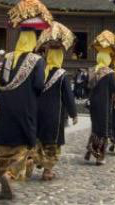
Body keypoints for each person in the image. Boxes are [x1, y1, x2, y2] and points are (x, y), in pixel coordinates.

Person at [0, 0, 48, 200]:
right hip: (25, 109)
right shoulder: (37, 60)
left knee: (4, 149)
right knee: (23, 147)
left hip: (5, 110)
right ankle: (11, 174)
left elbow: (0, 81)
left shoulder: (6, 57)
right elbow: (38, 85)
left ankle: (2, 180)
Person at [32, 22, 78, 181]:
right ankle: (47, 170)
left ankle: (34, 161)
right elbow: (68, 96)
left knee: (39, 138)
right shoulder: (62, 74)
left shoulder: (40, 72)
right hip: (55, 114)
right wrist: (73, 113)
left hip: (37, 112)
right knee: (52, 143)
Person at [85, 30, 115, 165]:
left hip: (93, 104)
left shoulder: (92, 71)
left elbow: (88, 87)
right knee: (103, 129)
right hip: (105, 104)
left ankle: (91, 149)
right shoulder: (110, 72)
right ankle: (100, 156)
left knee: (95, 127)